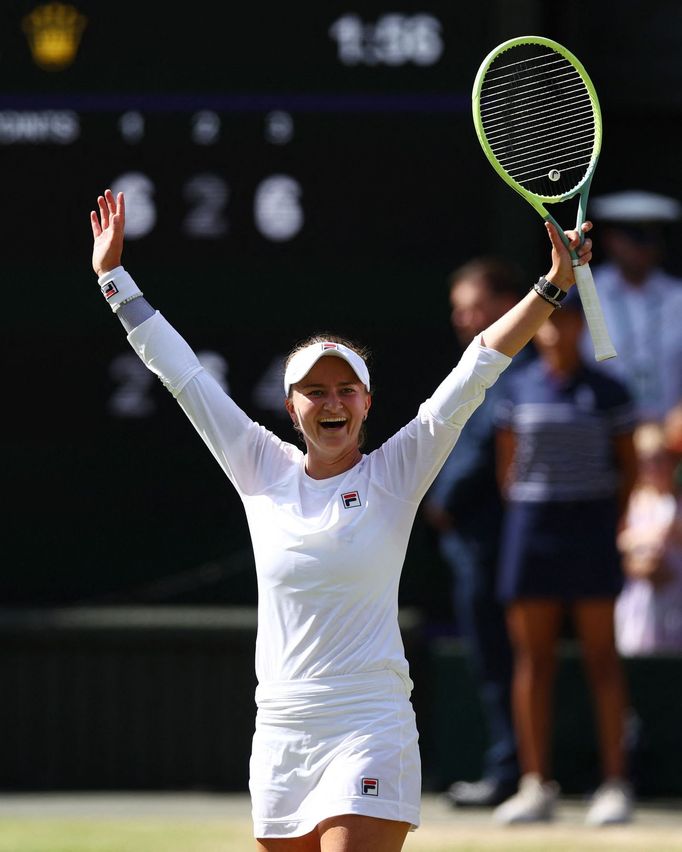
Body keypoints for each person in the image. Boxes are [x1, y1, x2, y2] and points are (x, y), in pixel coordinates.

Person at [90, 188, 593, 851]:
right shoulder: (258, 466)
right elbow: (182, 373)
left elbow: (477, 370)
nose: (332, 402)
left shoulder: (395, 471)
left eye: (345, 389)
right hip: (281, 733)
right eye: (315, 391)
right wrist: (112, 279)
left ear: (366, 403)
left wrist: (551, 287)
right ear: (291, 407)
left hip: (370, 727)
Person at [491, 287, 639, 827]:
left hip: (591, 531)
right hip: (531, 534)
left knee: (603, 661)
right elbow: (508, 470)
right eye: (549, 321)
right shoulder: (518, 387)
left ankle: (616, 784)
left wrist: (606, 520)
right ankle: (535, 785)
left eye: (566, 320)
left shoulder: (609, 391)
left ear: (581, 326)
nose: (555, 329)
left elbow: (628, 471)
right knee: (533, 662)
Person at [422, 258, 530, 807]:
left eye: (474, 305)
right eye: (458, 308)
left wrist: (443, 500)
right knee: (495, 659)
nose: (463, 318)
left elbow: (490, 449)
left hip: (506, 543)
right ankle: (513, 768)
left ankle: (515, 772)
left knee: (509, 659)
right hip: (478, 543)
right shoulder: (481, 366)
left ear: (506, 302)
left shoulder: (518, 367)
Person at [578, 190, 682, 421]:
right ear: (610, 239)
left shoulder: (678, 296)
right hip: (601, 430)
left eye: (651, 238)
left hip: (669, 438)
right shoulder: (585, 291)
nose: (642, 248)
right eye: (633, 237)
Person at [615, 421, 682, 654]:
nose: (654, 468)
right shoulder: (630, 504)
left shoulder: (677, 504)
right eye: (645, 461)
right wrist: (638, 560)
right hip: (640, 606)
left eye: (660, 459)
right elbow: (620, 543)